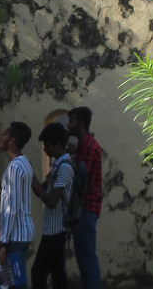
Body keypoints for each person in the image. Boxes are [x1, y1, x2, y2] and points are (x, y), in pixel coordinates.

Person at [30, 122, 74, 289]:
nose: (45, 150)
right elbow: (40, 190)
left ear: (57, 145)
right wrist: (32, 178)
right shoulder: (58, 166)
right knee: (57, 275)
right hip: (54, 228)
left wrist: (32, 179)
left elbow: (51, 201)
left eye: (47, 145)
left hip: (56, 229)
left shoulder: (64, 168)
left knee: (38, 273)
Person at [67, 107, 101, 289]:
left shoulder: (87, 147)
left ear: (81, 123)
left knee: (87, 260)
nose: (68, 125)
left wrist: (72, 159)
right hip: (86, 208)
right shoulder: (84, 146)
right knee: (84, 259)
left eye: (71, 121)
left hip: (86, 208)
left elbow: (81, 180)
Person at [0, 122, 34, 267]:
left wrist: (4, 242)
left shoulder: (14, 168)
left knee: (14, 278)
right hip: (20, 233)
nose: (1, 138)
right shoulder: (24, 163)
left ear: (11, 140)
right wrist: (2, 233)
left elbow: (12, 208)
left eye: (5, 134)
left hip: (17, 236)